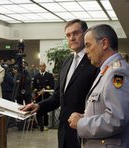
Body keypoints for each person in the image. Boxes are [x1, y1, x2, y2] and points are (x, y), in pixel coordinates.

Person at [21, 19, 98, 148]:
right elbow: (58, 96)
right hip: (64, 129)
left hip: (85, 129)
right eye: (68, 35)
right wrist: (38, 106)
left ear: (85, 34)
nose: (71, 38)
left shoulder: (94, 61)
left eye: (76, 33)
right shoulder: (66, 61)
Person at [68, 24, 129, 148]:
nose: (86, 51)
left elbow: (116, 119)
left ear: (104, 43)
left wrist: (81, 123)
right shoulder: (106, 70)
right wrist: (85, 116)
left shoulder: (117, 73)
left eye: (88, 45)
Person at [33, 62, 54, 131]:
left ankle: (45, 124)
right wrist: (37, 92)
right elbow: (34, 87)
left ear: (45, 67)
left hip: (46, 96)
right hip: (38, 96)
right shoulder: (36, 76)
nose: (42, 67)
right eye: (40, 66)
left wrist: (44, 89)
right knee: (38, 110)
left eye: (43, 66)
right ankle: (39, 124)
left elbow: (52, 85)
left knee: (45, 110)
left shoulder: (49, 75)